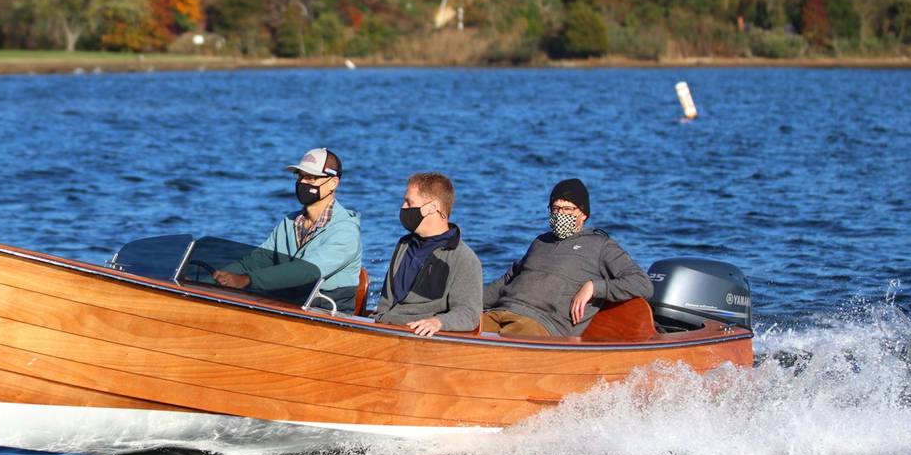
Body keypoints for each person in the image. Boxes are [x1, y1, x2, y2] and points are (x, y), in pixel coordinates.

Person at [481, 178, 653, 338]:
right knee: (462, 328)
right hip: (500, 311)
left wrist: (595, 287)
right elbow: (508, 280)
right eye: (555, 209)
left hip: (540, 324)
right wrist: (467, 299)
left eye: (568, 209)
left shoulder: (601, 245)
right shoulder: (540, 241)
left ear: (583, 214)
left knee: (497, 349)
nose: (560, 214)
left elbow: (642, 283)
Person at [212, 148, 363, 311]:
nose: (303, 182)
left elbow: (307, 271)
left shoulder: (345, 232)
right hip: (288, 306)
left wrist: (247, 280)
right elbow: (254, 262)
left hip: (326, 315)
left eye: (311, 178)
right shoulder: (289, 222)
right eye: (300, 176)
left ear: (333, 183)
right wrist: (206, 281)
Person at [372, 172, 482, 336]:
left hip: (419, 336)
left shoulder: (463, 258)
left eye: (409, 203)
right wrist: (379, 319)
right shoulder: (404, 244)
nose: (403, 208)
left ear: (432, 207)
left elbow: (469, 313)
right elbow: (386, 300)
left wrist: (439, 322)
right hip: (385, 328)